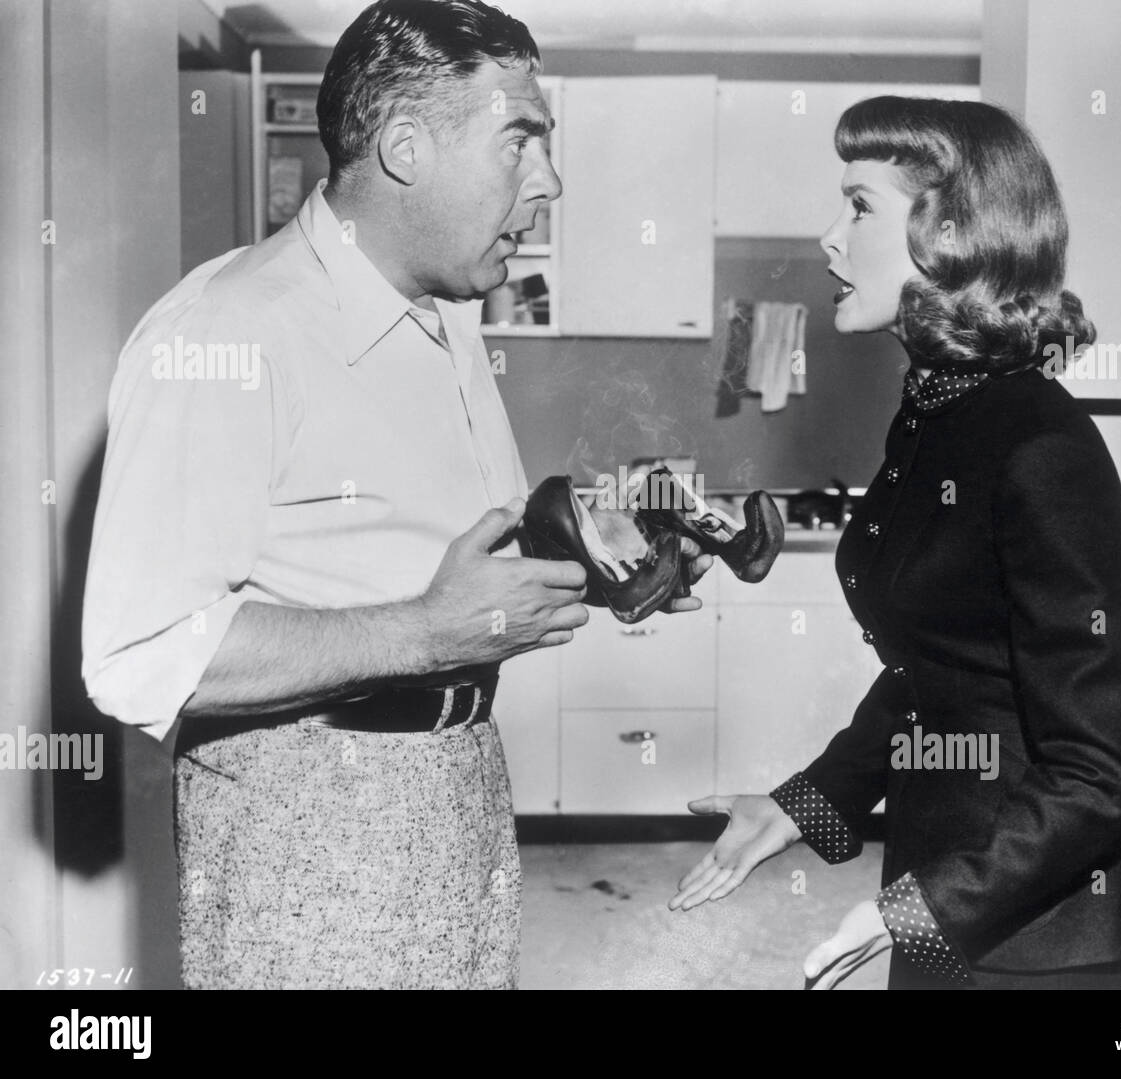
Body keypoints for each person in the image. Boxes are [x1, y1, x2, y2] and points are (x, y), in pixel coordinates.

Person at [81, 0, 708, 990]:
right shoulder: (227, 329)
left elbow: (441, 557)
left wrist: (600, 557)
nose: (550, 184)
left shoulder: (447, 314)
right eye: (521, 143)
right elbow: (137, 654)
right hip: (307, 825)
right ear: (406, 148)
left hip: (461, 785)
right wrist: (421, 634)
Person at [669, 96, 1121, 990]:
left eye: (859, 206)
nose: (829, 237)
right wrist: (807, 804)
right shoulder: (936, 413)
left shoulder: (1039, 446)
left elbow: (1106, 766)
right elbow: (938, 683)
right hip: (951, 903)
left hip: (1044, 945)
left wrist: (918, 909)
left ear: (951, 233)